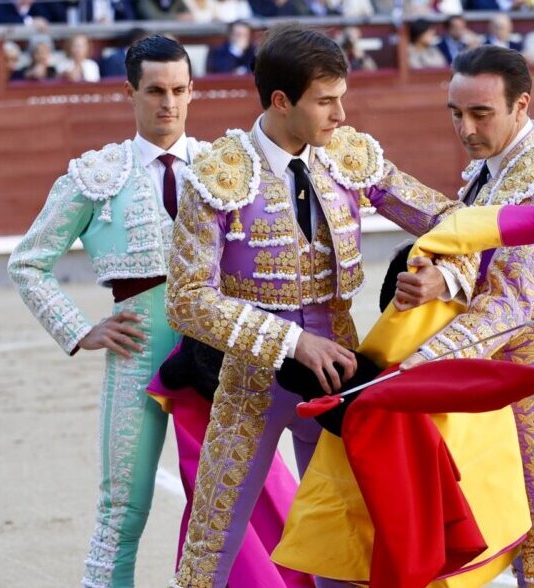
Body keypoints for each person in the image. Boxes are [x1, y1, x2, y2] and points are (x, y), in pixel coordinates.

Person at [165, 22, 478, 588]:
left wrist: (446, 277)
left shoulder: (348, 155)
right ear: (282, 101)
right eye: (326, 102)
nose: (340, 116)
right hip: (251, 374)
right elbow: (187, 301)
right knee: (213, 537)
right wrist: (291, 341)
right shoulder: (219, 173)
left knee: (344, 533)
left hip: (338, 372)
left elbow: (452, 223)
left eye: (342, 100)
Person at [398, 45, 534, 588]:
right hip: (490, 372)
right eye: (455, 113)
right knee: (496, 527)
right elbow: (471, 242)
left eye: (480, 114)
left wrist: (422, 367)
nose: (465, 128)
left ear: (521, 106)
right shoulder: (497, 167)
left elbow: (511, 299)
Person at [8, 35, 210, 588]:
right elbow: (28, 262)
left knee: (229, 503)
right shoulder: (95, 176)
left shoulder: (225, 168)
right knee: (123, 509)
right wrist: (79, 330)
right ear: (130, 93)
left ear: (192, 92)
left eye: (178, 90)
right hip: (137, 353)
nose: (168, 103)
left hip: (219, 355)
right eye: (154, 91)